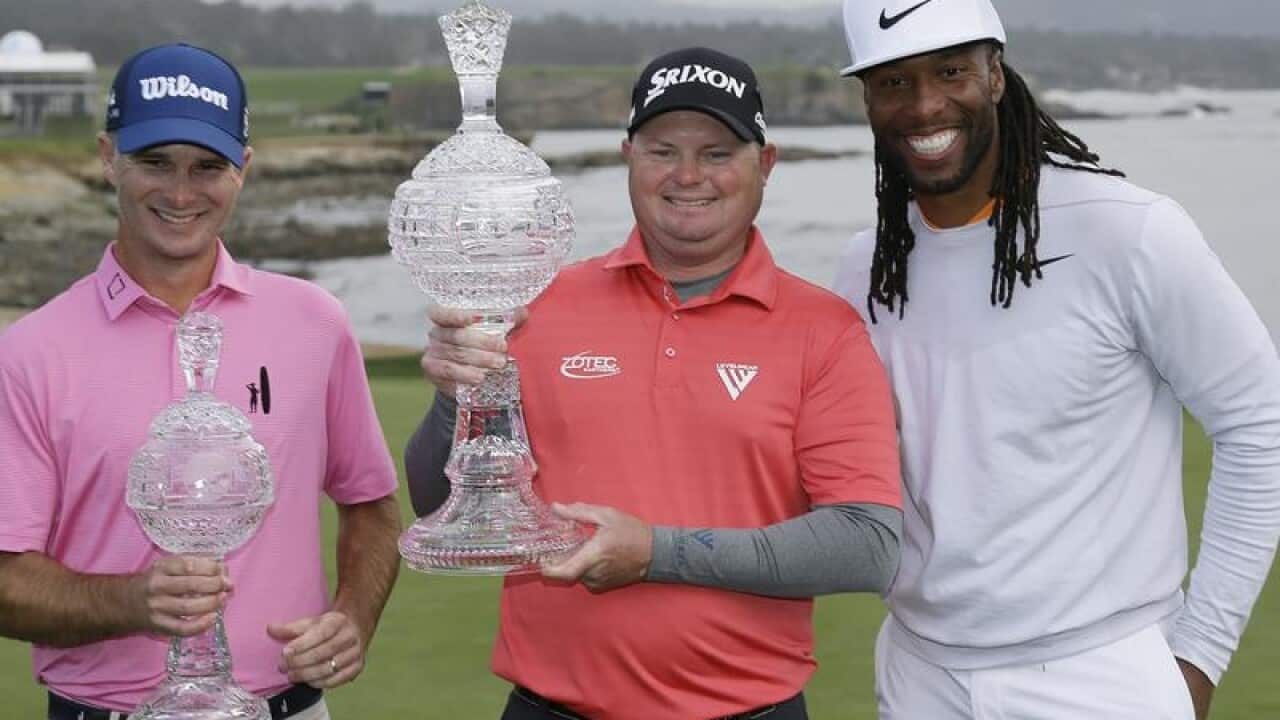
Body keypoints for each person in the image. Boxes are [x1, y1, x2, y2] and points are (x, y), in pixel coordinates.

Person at [406, 47, 903, 720]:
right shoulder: (538, 302)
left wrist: (657, 554)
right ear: (628, 157)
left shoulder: (825, 330)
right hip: (548, 708)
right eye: (662, 150)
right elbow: (437, 497)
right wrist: (453, 396)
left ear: (766, 163)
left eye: (719, 153)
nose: (688, 175)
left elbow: (866, 545)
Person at [831, 2, 1280, 718]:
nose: (924, 105)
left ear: (996, 74)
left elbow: (1260, 424)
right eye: (893, 82)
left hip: (1102, 671)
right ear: (866, 98)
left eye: (951, 71)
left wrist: (1199, 656)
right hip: (919, 672)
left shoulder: (1128, 231)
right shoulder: (864, 268)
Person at [0, 44, 402, 720]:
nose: (181, 193)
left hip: (289, 707)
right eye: (154, 163)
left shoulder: (314, 322)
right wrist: (129, 601)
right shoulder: (31, 351)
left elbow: (372, 507)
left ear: (243, 169)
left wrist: (353, 617)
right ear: (107, 156)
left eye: (207, 167)